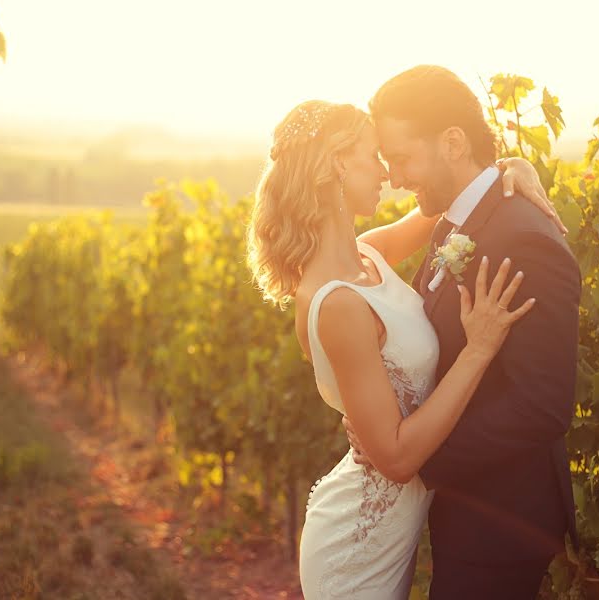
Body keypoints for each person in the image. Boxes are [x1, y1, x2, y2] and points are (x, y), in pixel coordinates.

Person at [246, 90, 568, 598]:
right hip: (358, 541)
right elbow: (394, 459)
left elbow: (460, 196)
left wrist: (514, 164)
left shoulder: (369, 254)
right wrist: (479, 349)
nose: (386, 174)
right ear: (335, 167)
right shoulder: (337, 305)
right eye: (373, 158)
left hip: (401, 526)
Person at [344, 65, 581, 599]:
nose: (397, 178)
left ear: (452, 142)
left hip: (500, 523)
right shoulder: (457, 220)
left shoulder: (523, 238)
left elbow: (542, 404)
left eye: (402, 159)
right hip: (465, 510)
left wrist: (414, 459)